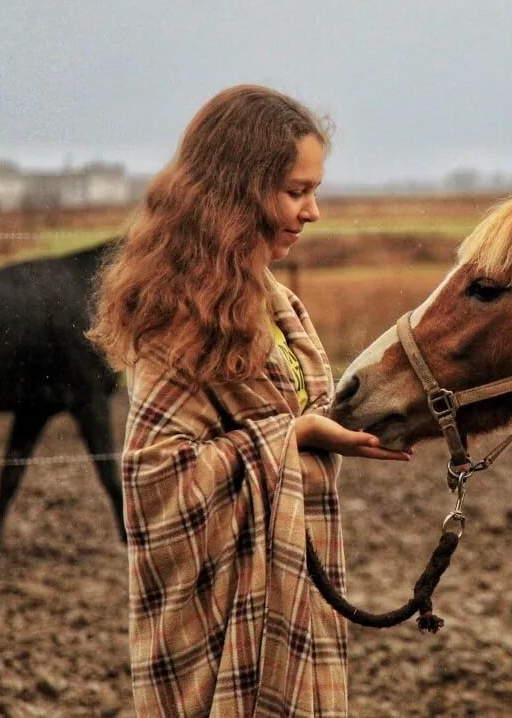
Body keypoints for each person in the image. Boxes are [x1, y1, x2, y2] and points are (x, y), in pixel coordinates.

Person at [88, 84, 409, 717]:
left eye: (314, 190)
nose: (313, 212)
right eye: (297, 192)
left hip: (297, 598)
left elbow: (298, 410)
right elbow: (155, 480)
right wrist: (292, 439)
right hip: (215, 635)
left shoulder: (275, 303)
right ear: (236, 192)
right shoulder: (178, 317)